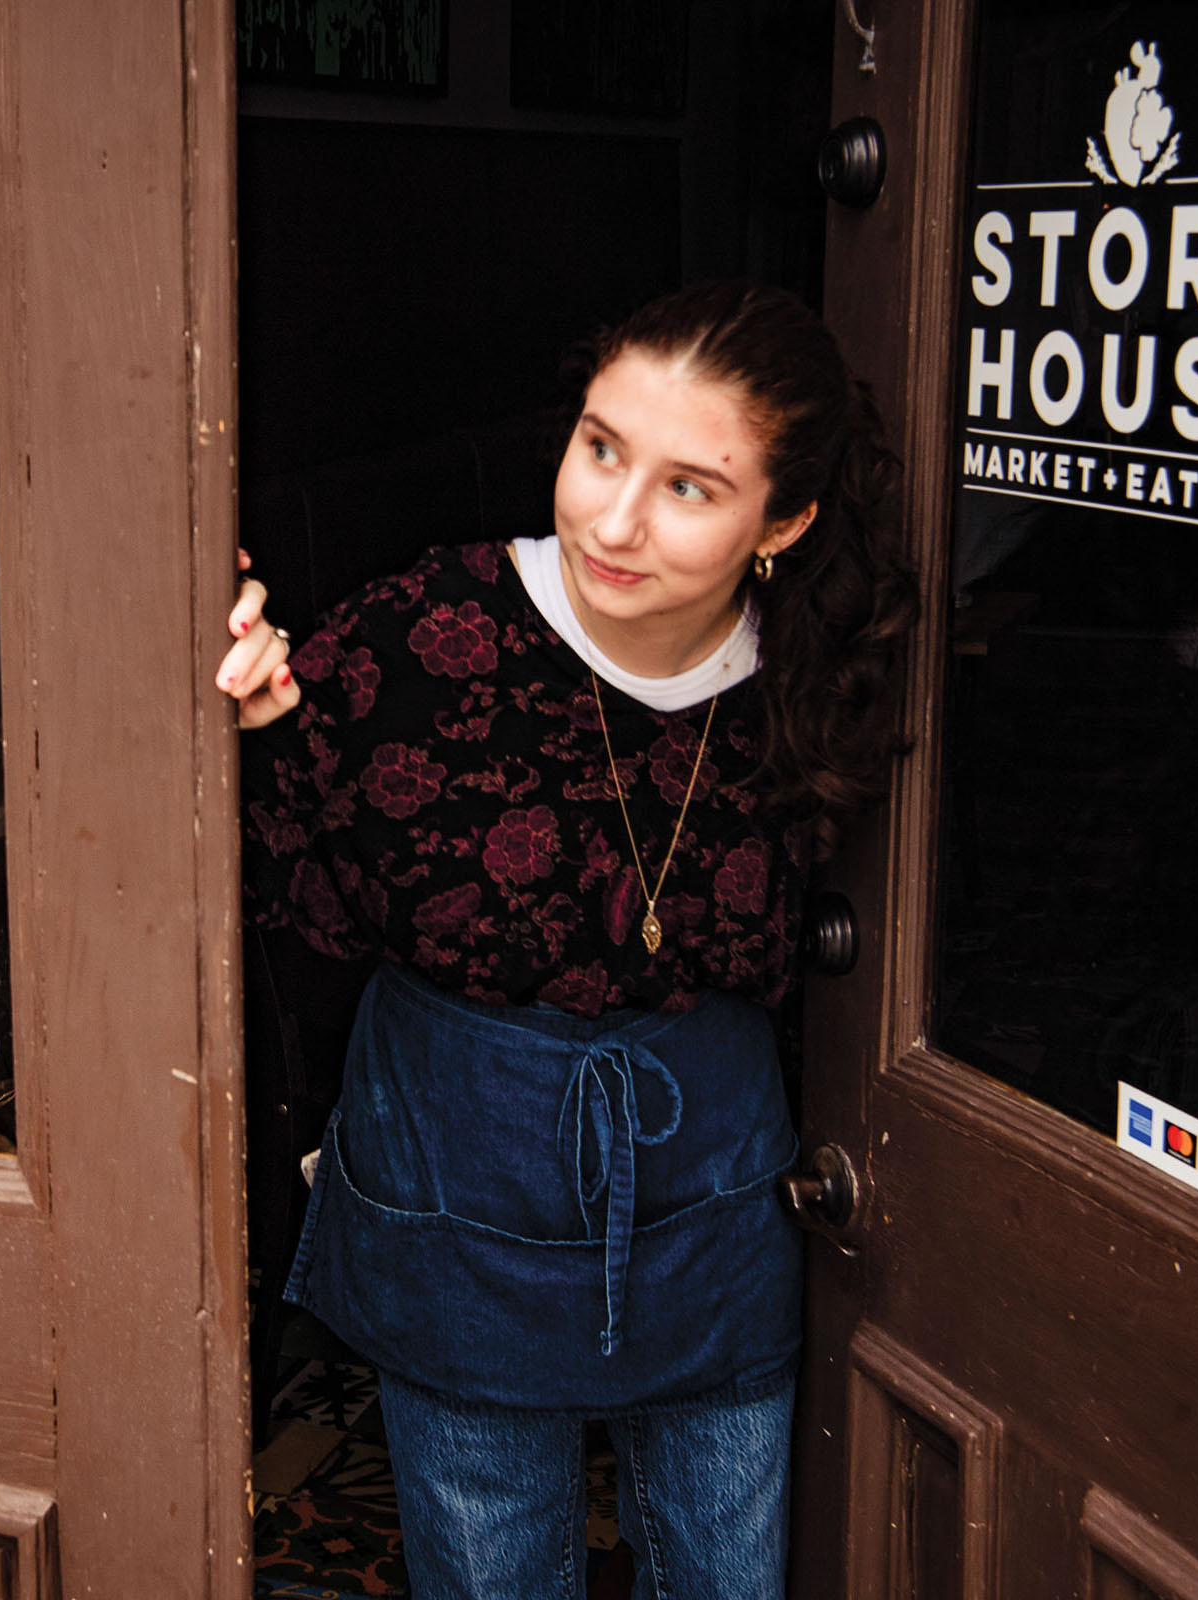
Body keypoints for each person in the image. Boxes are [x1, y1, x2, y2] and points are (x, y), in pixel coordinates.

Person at [218, 282, 915, 1599]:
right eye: (600, 445)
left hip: (712, 1213)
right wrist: (255, 718)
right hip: (461, 1190)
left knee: (727, 1569)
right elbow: (302, 892)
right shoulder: (430, 634)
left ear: (787, 520)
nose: (613, 517)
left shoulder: (815, 680)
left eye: (691, 487)